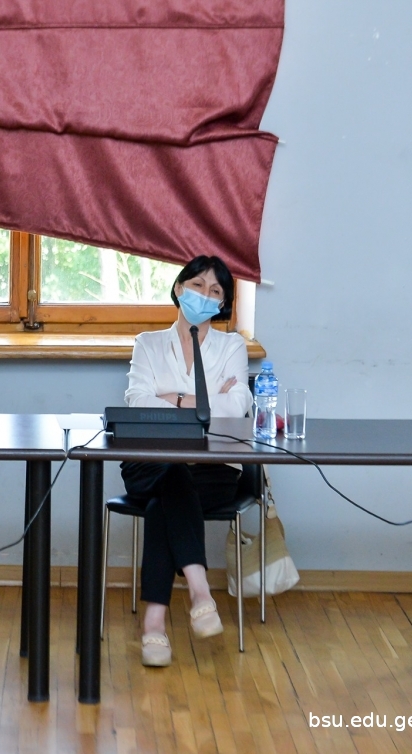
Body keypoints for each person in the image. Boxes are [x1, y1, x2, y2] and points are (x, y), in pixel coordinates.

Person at [121, 255, 253, 668]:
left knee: (164, 500)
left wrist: (170, 399)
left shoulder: (232, 346)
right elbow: (136, 401)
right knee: (173, 473)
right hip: (148, 464)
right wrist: (200, 402)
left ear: (223, 303)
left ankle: (154, 624)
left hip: (214, 469)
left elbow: (237, 407)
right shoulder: (148, 343)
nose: (204, 295)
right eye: (197, 285)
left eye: (215, 291)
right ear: (179, 289)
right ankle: (199, 589)